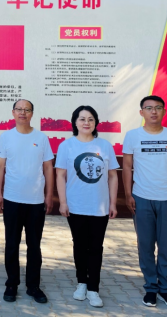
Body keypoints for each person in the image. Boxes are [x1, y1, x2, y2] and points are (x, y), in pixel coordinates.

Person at [122, 95, 167, 309]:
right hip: (142, 198)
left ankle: (166, 289)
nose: (153, 111)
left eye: (158, 108)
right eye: (149, 108)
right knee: (146, 246)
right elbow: (127, 167)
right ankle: (151, 288)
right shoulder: (133, 135)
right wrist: (128, 194)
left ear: (164, 111)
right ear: (141, 112)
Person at [56, 105, 119, 308]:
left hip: (99, 206)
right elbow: (60, 175)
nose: (86, 122)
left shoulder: (105, 145)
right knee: (79, 245)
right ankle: (82, 282)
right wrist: (63, 202)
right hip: (76, 205)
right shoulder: (67, 146)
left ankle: (94, 288)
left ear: (95, 123)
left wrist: (113, 202)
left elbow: (112, 176)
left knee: (96, 247)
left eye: (90, 119)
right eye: (82, 119)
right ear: (75, 122)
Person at [0, 100, 54, 304]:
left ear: (32, 114)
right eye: (19, 109)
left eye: (27, 110)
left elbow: (48, 167)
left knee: (34, 245)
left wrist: (48, 195)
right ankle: (12, 283)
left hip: (35, 200)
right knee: (11, 244)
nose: (23, 113)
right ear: (13, 113)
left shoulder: (41, 138)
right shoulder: (6, 137)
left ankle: (33, 285)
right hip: (12, 199)